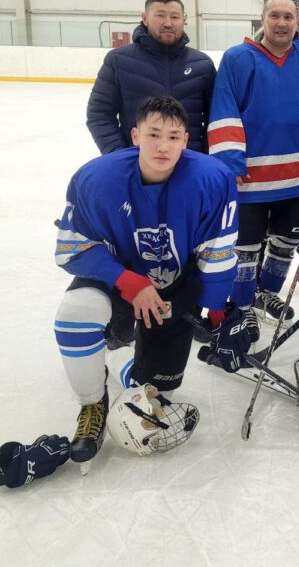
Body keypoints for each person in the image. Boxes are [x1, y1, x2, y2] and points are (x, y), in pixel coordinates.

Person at [53, 96, 248, 470]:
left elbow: (217, 250)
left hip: (174, 287)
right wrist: (128, 281)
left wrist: (217, 312)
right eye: (154, 134)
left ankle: (117, 354)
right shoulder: (97, 179)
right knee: (76, 314)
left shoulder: (212, 179)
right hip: (116, 279)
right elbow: (69, 248)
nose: (163, 146)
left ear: (185, 140)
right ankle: (92, 404)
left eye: (173, 137)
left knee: (160, 391)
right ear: (135, 136)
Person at [208, 0, 299, 324]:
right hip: (249, 178)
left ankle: (266, 293)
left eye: (288, 17)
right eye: (274, 15)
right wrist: (230, 162)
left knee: (287, 241)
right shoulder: (238, 58)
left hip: (298, 176)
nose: (281, 23)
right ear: (262, 19)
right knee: (245, 248)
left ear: (298, 22)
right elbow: (224, 109)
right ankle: (242, 306)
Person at [87, 0, 216, 153]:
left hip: (190, 161)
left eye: (175, 17)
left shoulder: (202, 65)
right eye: (160, 16)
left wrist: (202, 156)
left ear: (184, 20)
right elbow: (99, 114)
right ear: (145, 18)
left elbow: (216, 118)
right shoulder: (118, 61)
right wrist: (120, 155)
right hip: (138, 161)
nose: (168, 23)